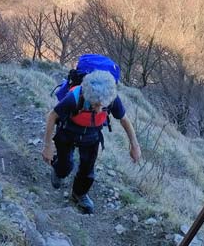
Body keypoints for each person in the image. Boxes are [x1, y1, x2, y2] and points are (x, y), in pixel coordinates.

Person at [40, 70, 141, 214]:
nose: (99, 109)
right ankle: (59, 171)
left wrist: (135, 145)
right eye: (95, 104)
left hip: (92, 136)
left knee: (87, 170)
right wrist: (47, 146)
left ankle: (79, 194)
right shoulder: (73, 98)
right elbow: (52, 116)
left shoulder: (111, 98)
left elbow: (124, 120)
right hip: (68, 132)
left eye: (102, 105)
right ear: (87, 96)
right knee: (65, 165)